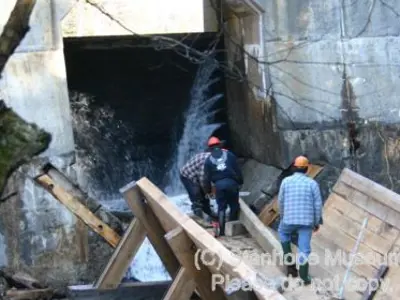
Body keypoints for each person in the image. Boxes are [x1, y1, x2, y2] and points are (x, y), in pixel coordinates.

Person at [277, 155, 323, 284]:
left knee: (283, 233)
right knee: (304, 249)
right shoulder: (312, 184)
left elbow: (280, 201)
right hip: (306, 222)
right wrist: (316, 222)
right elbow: (318, 205)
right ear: (307, 169)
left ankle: (290, 267)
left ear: (294, 167)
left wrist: (282, 216)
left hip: (288, 220)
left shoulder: (286, 181)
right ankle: (304, 276)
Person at [203, 137, 243, 236]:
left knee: (221, 208)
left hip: (219, 186)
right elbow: (237, 170)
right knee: (234, 205)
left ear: (210, 148)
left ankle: (222, 232)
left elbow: (206, 179)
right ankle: (232, 228)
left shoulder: (208, 160)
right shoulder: (229, 154)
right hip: (232, 183)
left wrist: (208, 191)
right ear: (219, 145)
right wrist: (240, 182)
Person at [179, 142, 216, 219]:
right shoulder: (206, 164)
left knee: (204, 196)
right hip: (187, 175)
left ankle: (207, 212)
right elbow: (204, 182)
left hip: (196, 174)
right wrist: (209, 193)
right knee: (196, 194)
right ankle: (198, 216)